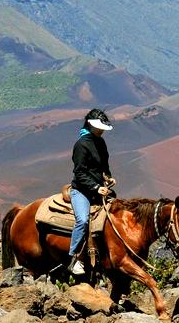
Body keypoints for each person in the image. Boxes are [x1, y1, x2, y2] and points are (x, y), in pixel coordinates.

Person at [68, 109, 116, 275]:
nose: (102, 130)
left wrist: (108, 178)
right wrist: (96, 187)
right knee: (82, 220)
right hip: (81, 191)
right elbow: (79, 172)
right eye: (100, 127)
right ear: (91, 125)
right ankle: (74, 258)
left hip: (100, 190)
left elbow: (104, 166)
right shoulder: (81, 145)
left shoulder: (100, 143)